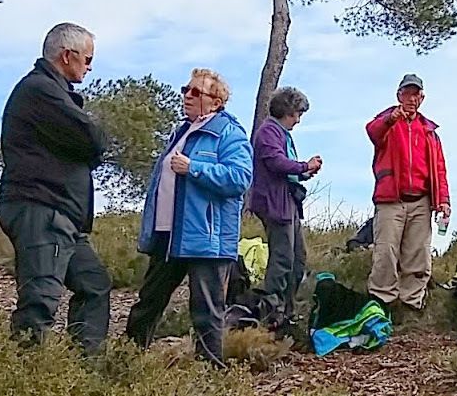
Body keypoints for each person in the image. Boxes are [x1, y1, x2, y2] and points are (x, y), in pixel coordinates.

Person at [0, 22, 111, 354]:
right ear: (67, 56)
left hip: (63, 217)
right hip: (43, 209)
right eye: (88, 60)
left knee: (94, 284)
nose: (89, 67)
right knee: (40, 300)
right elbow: (92, 138)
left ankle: (84, 372)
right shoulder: (40, 90)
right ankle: (25, 385)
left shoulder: (50, 91)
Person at [127, 68, 253, 367]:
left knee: (207, 312)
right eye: (186, 89)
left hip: (206, 240)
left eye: (195, 92)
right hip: (169, 235)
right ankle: (125, 361)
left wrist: (194, 168)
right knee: (149, 302)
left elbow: (240, 178)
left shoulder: (228, 133)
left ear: (216, 101)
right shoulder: (181, 131)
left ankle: (211, 378)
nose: (186, 95)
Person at [366, 73, 450, 311]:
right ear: (398, 95)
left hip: (421, 201)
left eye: (416, 94)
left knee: (418, 255)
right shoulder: (387, 121)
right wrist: (391, 119)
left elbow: (440, 169)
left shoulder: (430, 131)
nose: (411, 98)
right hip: (390, 200)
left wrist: (443, 200)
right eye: (406, 93)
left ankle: (411, 303)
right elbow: (372, 131)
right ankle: (382, 301)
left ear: (422, 98)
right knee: (385, 252)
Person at [250, 87, 322, 327]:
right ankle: (272, 313)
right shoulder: (269, 132)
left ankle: (286, 311)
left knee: (297, 258)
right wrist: (303, 166)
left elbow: (284, 168)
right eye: (296, 114)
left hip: (287, 202)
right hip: (275, 204)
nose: (298, 120)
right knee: (282, 259)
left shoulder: (280, 133)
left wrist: (303, 173)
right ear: (285, 111)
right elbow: (276, 162)